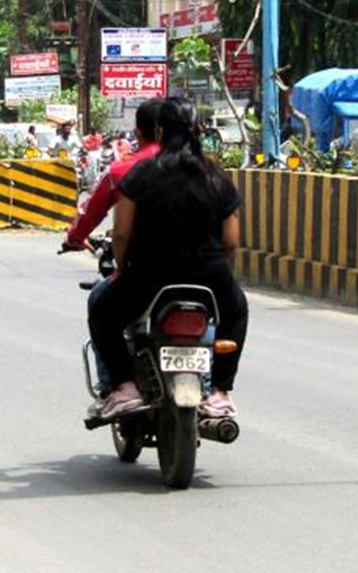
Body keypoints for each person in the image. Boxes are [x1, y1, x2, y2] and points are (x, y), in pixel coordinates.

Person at [88, 97, 248, 421]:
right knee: (237, 311)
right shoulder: (217, 177)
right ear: (199, 130)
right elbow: (231, 241)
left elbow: (121, 234)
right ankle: (219, 391)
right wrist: (217, 266)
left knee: (103, 312)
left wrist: (122, 268)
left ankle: (123, 387)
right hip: (209, 275)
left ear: (159, 131)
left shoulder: (141, 175)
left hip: (150, 274)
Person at [63, 100, 165, 403]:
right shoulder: (202, 170)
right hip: (198, 270)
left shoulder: (125, 171)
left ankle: (117, 385)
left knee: (100, 305)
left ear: (140, 132)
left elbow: (97, 217)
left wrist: (74, 237)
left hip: (143, 271)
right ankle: (214, 387)